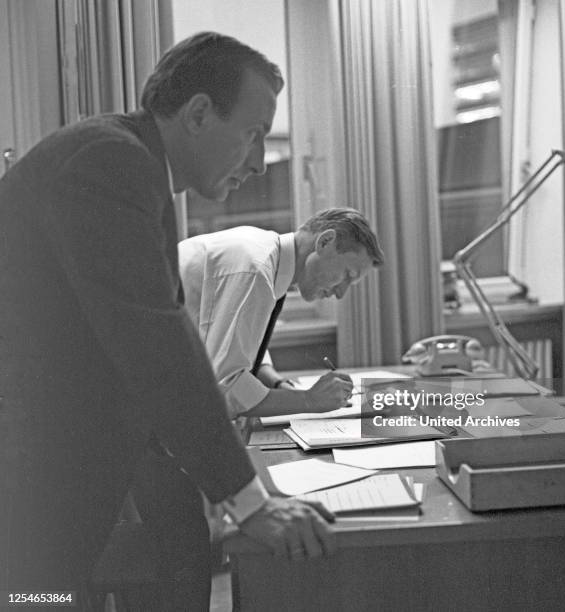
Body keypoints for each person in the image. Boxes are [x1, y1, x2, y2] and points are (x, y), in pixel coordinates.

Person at [0, 31, 335, 610]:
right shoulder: (110, 162)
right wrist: (248, 500)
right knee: (32, 598)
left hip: (59, 459)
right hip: (31, 467)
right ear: (199, 113)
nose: (259, 162)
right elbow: (154, 339)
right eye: (253, 134)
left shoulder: (134, 165)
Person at [179, 208, 385, 418]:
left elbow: (239, 344)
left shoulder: (264, 256)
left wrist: (276, 382)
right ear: (325, 242)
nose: (341, 293)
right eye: (347, 275)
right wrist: (309, 400)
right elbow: (225, 388)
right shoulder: (255, 269)